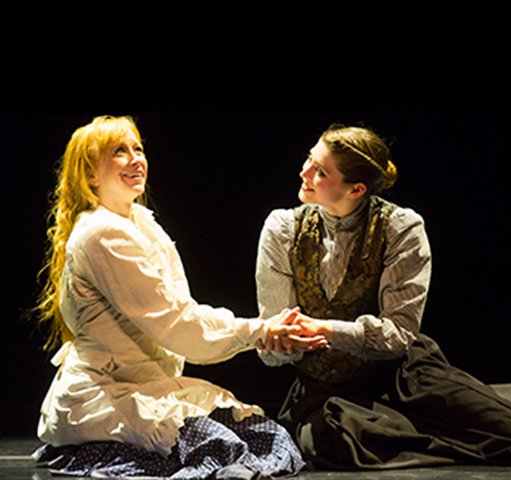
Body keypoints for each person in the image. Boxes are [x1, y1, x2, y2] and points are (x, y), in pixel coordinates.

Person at [255, 124, 511, 470]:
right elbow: (271, 344)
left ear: (356, 189)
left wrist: (327, 330)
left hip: (400, 379)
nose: (304, 172)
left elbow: (398, 335)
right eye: (309, 159)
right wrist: (279, 342)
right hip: (324, 390)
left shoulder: (399, 227)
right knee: (337, 442)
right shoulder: (283, 229)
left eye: (320, 171)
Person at [31, 115, 321, 479]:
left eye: (138, 148)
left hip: (149, 386)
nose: (136, 159)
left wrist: (259, 331)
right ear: (90, 175)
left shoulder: (139, 222)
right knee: (221, 448)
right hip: (107, 393)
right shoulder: (102, 233)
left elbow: (180, 311)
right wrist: (259, 331)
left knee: (265, 436)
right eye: (119, 151)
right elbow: (175, 322)